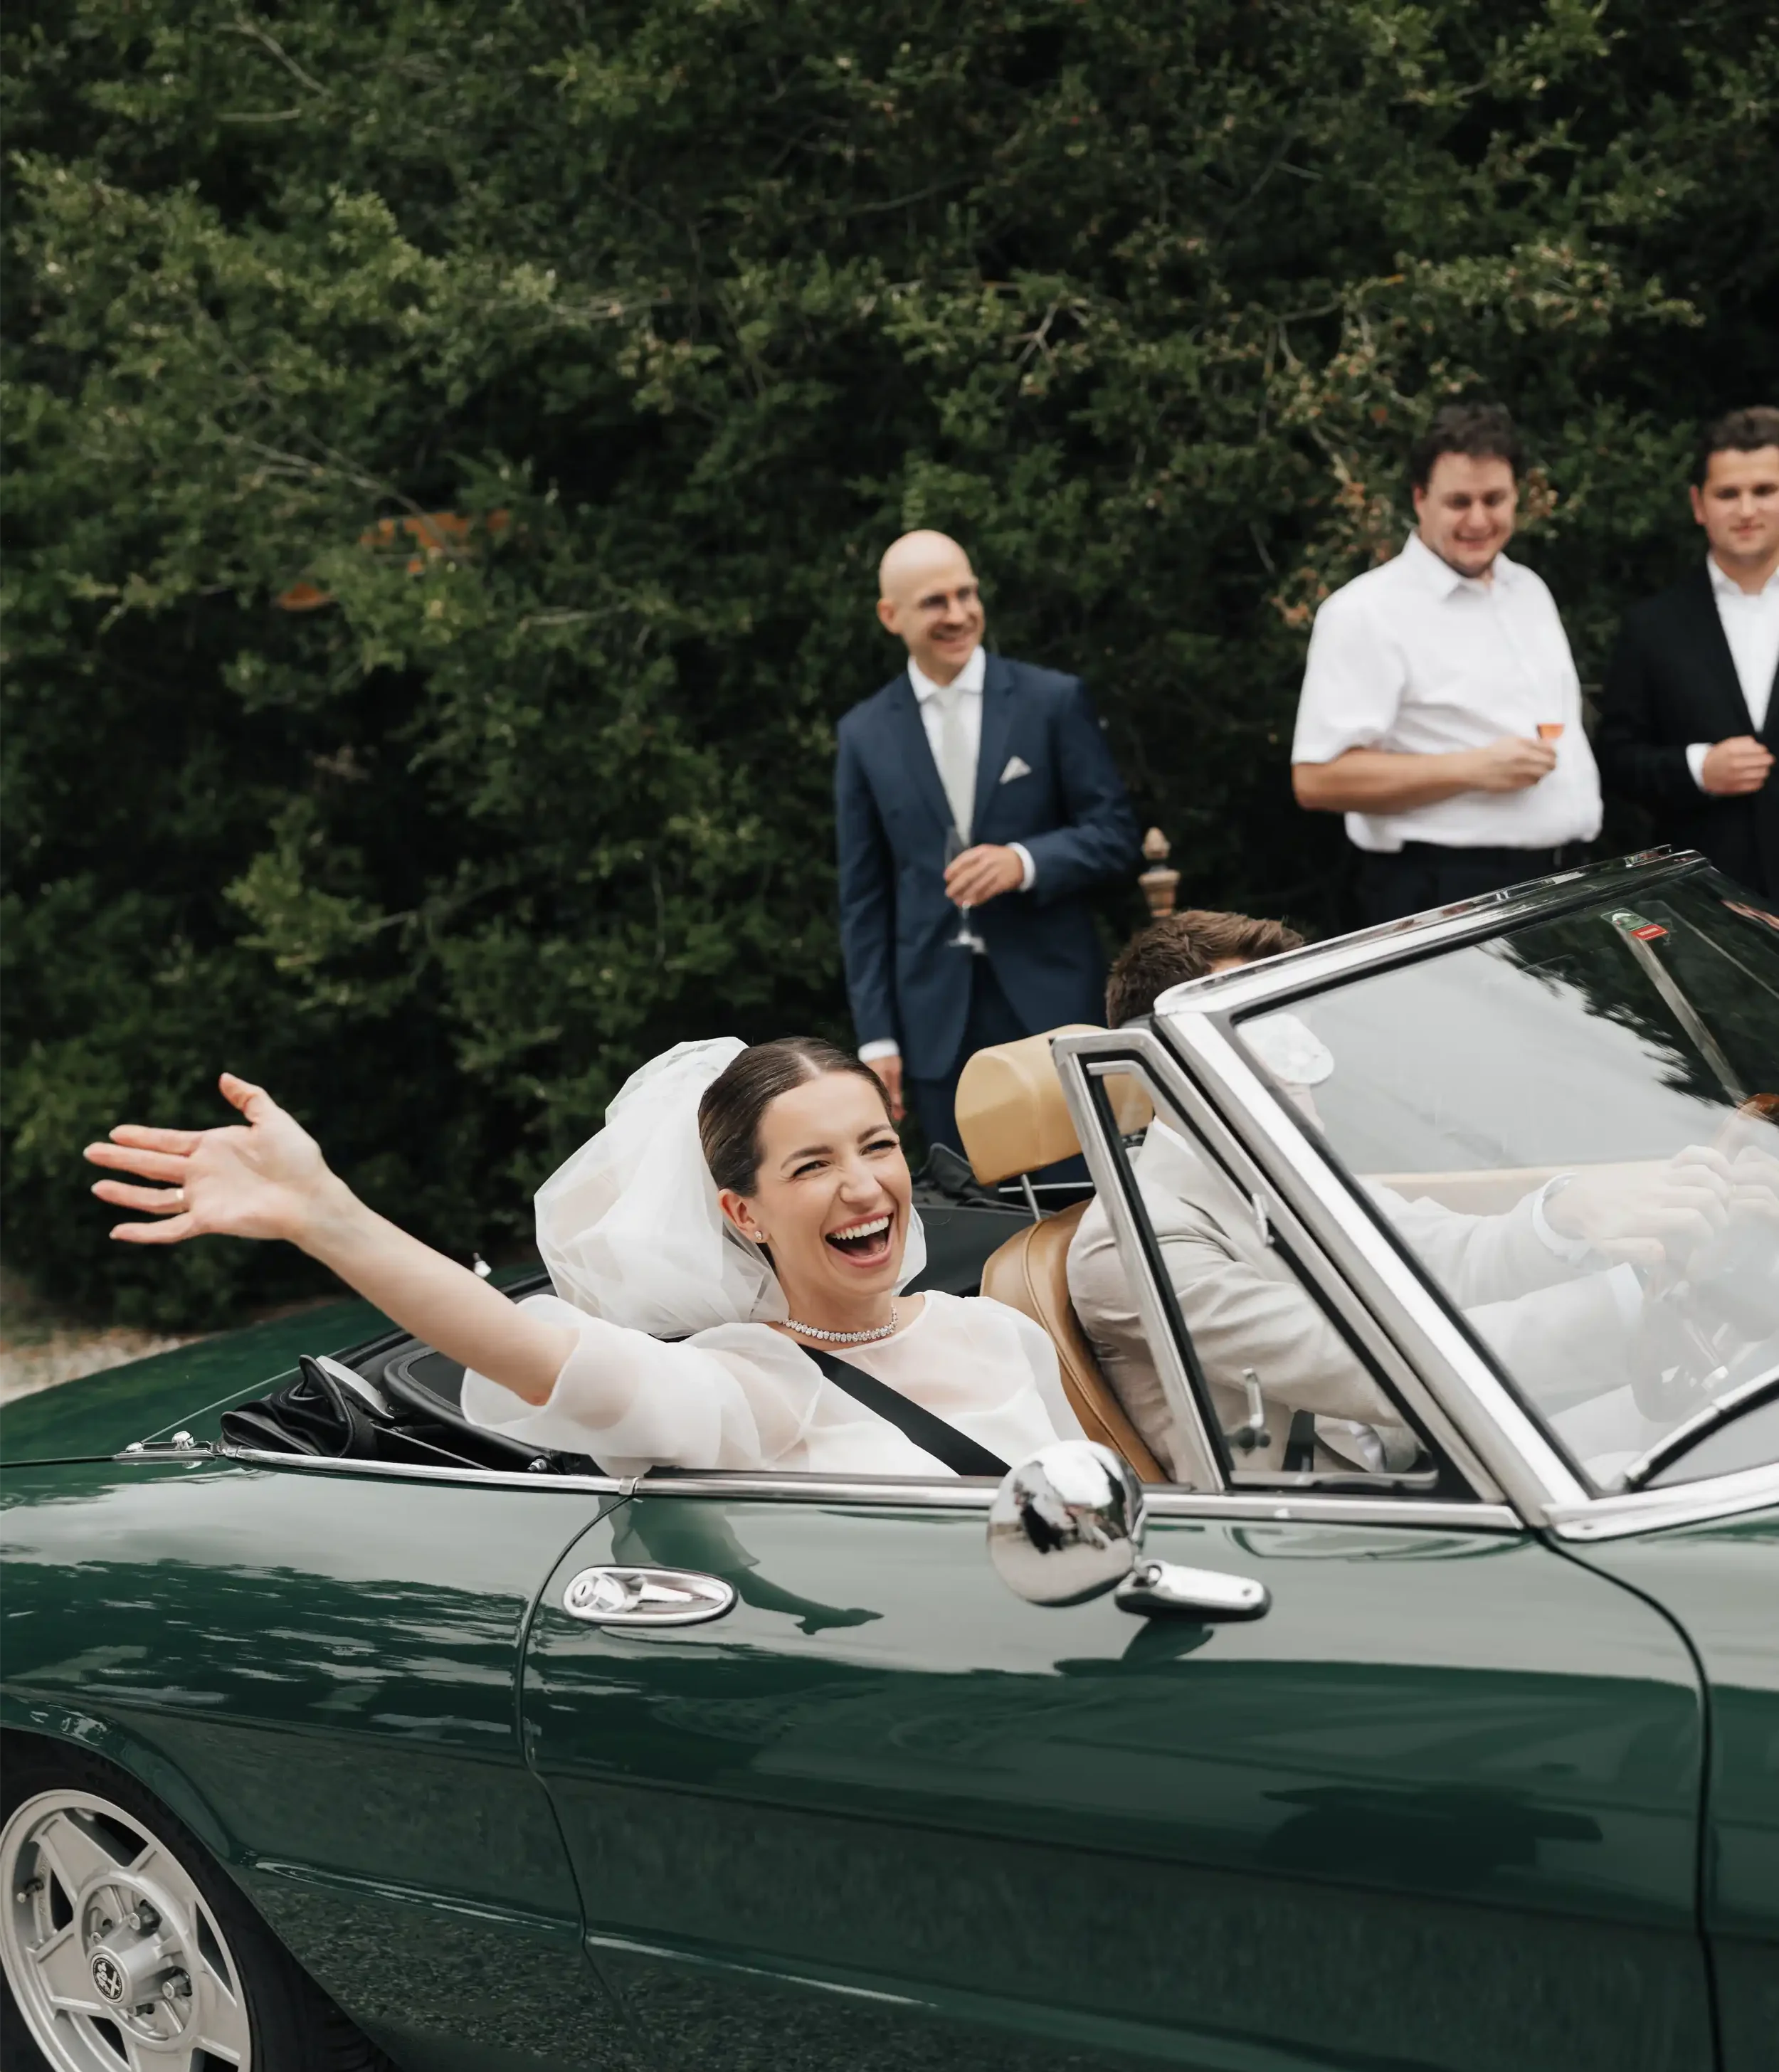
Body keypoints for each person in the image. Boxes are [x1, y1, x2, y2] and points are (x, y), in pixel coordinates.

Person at [85, 1038, 1081, 1480]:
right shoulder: (757, 1385)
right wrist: (326, 1217)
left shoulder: (999, 1329)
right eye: (812, 1165)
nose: (863, 1187)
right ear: (743, 1212)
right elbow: (533, 1357)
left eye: (876, 1147)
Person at [1067, 910, 1736, 1480]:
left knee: (1732, 1419)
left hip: (1441, 1461)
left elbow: (1451, 1260)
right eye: (1249, 1033)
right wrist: (1637, 1300)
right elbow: (1378, 1367)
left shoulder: (1292, 1169)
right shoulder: (1132, 1240)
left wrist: (1564, 1215)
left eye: (1286, 1025)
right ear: (1165, 1067)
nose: (1292, 1063)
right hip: (1327, 1526)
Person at [834, 529, 1141, 1155]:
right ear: (890, 616)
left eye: (966, 594)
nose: (958, 614)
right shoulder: (864, 733)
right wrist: (878, 1037)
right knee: (970, 1198)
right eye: (935, 602)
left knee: (1084, 1187)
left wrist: (1024, 862)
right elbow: (863, 898)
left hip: (1054, 1005)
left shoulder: (1051, 701)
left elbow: (1116, 835)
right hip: (935, 1024)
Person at [1291, 402, 1601, 925]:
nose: (1478, 520)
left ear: (1517, 497)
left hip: (1562, 879)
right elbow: (1318, 779)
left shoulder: (1529, 589)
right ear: (1420, 499)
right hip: (1442, 891)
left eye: (1494, 499)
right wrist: (1473, 769)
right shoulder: (1364, 611)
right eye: (1459, 501)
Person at [1598, 405, 1779, 897]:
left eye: (1764, 491)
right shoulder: (1651, 626)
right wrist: (1698, 769)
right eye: (1728, 494)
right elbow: (1615, 759)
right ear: (1699, 505)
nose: (1746, 510)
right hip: (1706, 904)